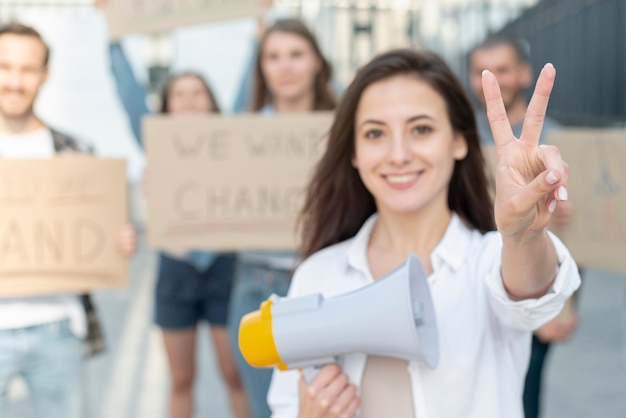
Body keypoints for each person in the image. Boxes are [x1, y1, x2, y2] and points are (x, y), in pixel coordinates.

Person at [267, 48, 581, 418]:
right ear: (353, 152)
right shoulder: (317, 276)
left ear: (459, 141)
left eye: (421, 129)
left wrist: (524, 236)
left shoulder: (489, 261)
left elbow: (530, 291)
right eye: (374, 133)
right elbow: (285, 405)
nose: (398, 154)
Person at [104, 30, 250, 418]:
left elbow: (249, 89)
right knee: (181, 379)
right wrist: (114, 38)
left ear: (212, 103)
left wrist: (261, 30)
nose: (188, 99)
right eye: (179, 94)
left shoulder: (231, 138)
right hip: (176, 269)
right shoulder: (155, 139)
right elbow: (128, 94)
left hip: (224, 266)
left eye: (197, 92)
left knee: (234, 371)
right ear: (166, 105)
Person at [0, 23, 136, 418]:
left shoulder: (76, 152)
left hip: (59, 327)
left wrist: (118, 242)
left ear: (45, 74)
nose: (15, 80)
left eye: (27, 69)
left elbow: (100, 235)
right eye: (5, 67)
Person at [228, 18, 336, 418]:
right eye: (273, 57)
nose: (285, 66)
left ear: (317, 62)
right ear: (261, 68)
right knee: (267, 409)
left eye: (295, 54)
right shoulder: (240, 133)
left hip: (328, 280)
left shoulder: (347, 125)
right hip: (256, 284)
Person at [468, 33, 580, 418]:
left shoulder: (558, 140)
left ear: (524, 73)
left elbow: (583, 236)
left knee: (525, 395)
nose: (495, 81)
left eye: (503, 70)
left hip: (536, 280)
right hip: (480, 286)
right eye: (484, 73)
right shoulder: (460, 138)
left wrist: (561, 309)